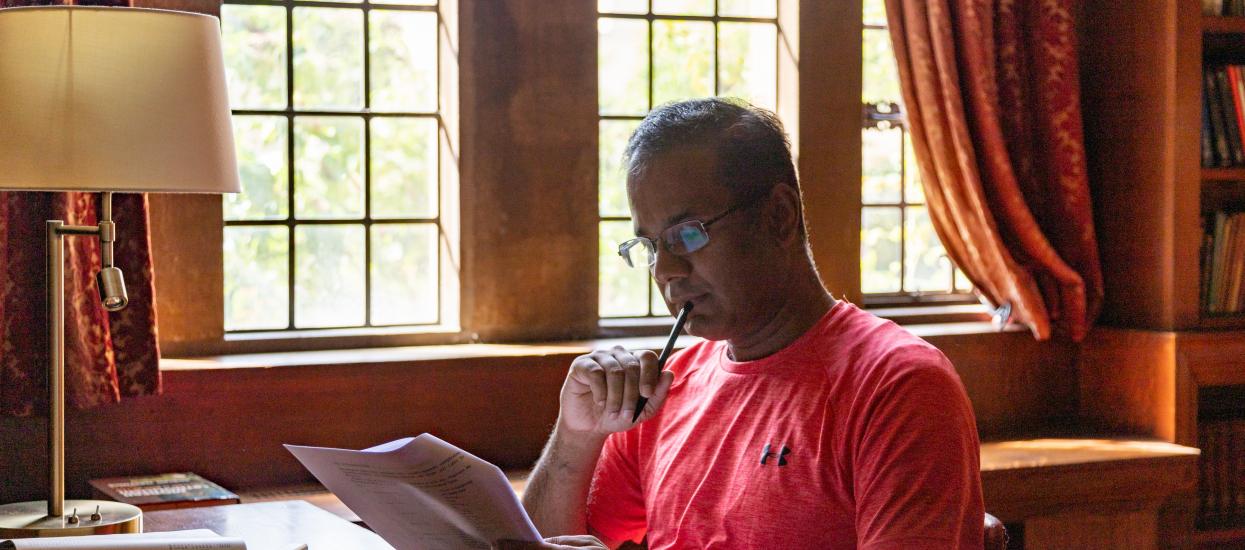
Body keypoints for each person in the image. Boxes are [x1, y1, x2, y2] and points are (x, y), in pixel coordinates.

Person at [516, 98, 984, 549]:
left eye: (687, 234)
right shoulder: (666, 390)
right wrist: (576, 437)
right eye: (652, 246)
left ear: (779, 217)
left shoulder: (897, 386)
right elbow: (533, 544)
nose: (665, 271)